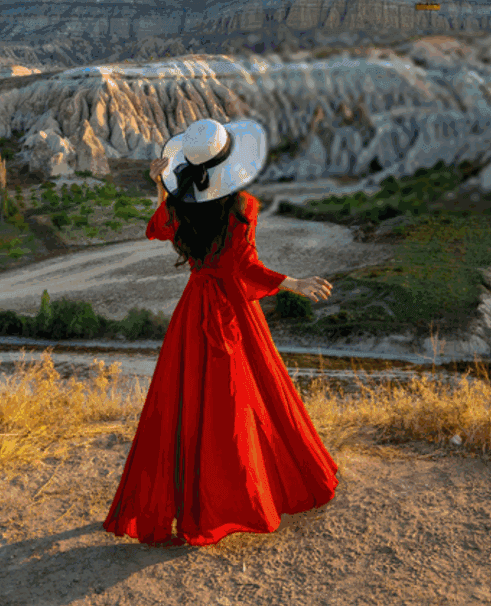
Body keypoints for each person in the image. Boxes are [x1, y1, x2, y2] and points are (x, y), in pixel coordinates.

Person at [102, 117, 338, 547]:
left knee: (185, 405)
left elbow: (160, 227)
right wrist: (294, 283)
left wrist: (163, 187)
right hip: (230, 312)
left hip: (193, 310)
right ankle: (236, 498)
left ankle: (190, 502)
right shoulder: (242, 206)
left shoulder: (181, 202)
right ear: (231, 161)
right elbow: (240, 267)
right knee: (241, 401)